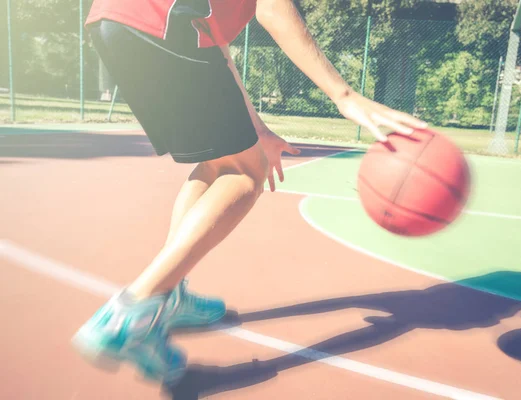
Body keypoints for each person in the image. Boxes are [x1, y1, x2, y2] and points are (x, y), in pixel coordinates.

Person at [72, 0, 428, 384]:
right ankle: (134, 310)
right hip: (165, 24)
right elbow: (273, 9)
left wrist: (255, 128)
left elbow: (215, 47)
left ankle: (170, 292)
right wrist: (344, 96)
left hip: (116, 22)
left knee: (216, 162)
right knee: (246, 173)